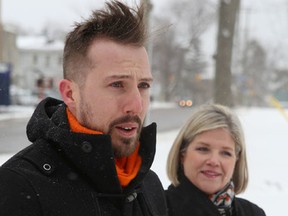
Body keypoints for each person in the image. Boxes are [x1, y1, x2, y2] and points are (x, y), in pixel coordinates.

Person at [0, 1, 167, 215]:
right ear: (70, 94)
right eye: (117, 84)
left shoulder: (149, 185)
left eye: (143, 85)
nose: (137, 104)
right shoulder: (19, 187)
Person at [165, 104, 266, 216]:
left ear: (236, 161)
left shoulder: (252, 213)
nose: (214, 161)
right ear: (182, 154)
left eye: (225, 153)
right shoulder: (156, 208)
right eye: (203, 149)